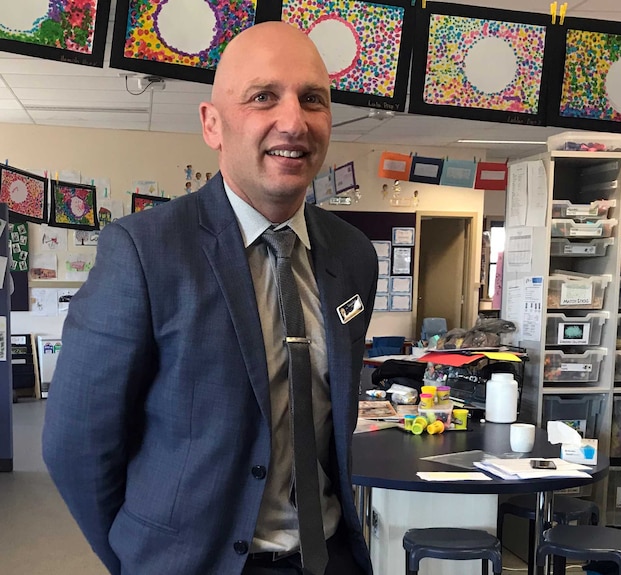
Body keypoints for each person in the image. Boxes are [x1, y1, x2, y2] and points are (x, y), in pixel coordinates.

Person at [42, 22, 377, 575]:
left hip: (328, 557)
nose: (292, 121)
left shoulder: (354, 254)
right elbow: (76, 443)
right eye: (263, 96)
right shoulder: (143, 251)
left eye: (312, 99)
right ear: (212, 124)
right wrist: (137, 557)